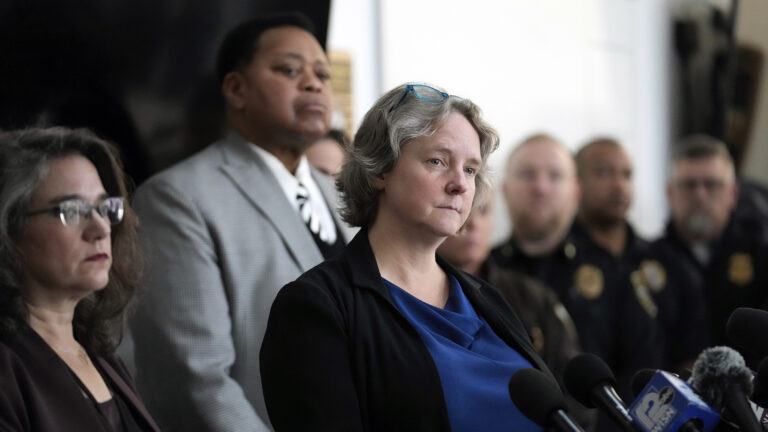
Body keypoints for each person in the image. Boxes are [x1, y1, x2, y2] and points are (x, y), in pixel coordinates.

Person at [260, 83, 552, 431]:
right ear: (380, 169)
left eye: (471, 169)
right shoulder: (318, 306)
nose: (460, 184)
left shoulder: (486, 297)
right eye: (437, 161)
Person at [129, 13, 354, 431]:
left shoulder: (339, 196)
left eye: (322, 73)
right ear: (236, 89)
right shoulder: (179, 198)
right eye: (289, 69)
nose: (314, 83)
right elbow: (196, 380)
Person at [0, 127, 159, 431]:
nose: (100, 228)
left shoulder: (97, 350)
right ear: (9, 228)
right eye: (71, 210)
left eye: (103, 207)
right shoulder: (7, 367)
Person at [490, 134, 659, 402]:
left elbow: (642, 368)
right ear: (505, 189)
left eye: (555, 176)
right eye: (527, 175)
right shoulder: (483, 275)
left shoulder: (613, 270)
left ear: (575, 192)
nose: (541, 188)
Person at [574, 137, 706, 372]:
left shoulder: (668, 261)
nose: (619, 185)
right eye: (604, 173)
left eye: (627, 175)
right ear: (577, 182)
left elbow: (691, 352)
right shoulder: (560, 260)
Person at [657, 134, 768, 360]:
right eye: (689, 185)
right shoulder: (648, 260)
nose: (700, 195)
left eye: (712, 185)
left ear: (733, 194)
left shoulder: (762, 256)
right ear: (670, 193)